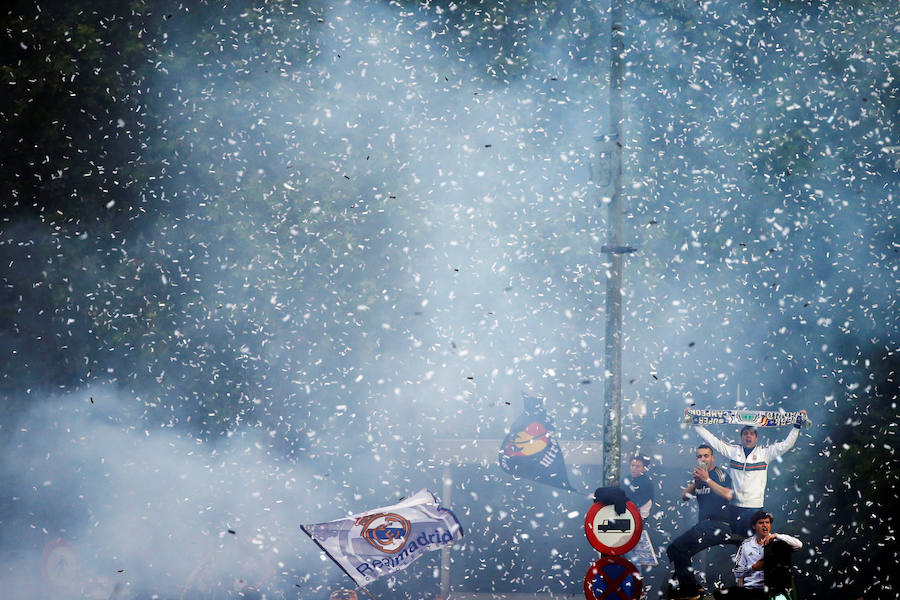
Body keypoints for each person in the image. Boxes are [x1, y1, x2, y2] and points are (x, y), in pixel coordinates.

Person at [691, 410, 806, 536]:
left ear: (756, 438)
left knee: (751, 543)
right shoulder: (733, 451)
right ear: (741, 438)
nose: (748, 436)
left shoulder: (765, 454)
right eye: (745, 434)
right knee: (736, 542)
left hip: (754, 507)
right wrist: (696, 424)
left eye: (752, 434)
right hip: (733, 506)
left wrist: (796, 426)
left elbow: (786, 445)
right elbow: (713, 441)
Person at [666, 444, 737, 600]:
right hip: (704, 526)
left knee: (677, 547)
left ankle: (689, 591)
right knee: (675, 550)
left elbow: (729, 494)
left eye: (706, 456)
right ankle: (693, 587)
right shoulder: (699, 477)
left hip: (719, 525)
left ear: (712, 458)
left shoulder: (719, 474)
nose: (703, 459)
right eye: (699, 456)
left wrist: (708, 479)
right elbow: (684, 496)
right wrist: (696, 482)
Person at [713, 510, 802, 600]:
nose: (765, 525)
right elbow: (737, 572)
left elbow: (798, 545)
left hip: (773, 590)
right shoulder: (745, 545)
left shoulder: (777, 542)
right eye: (761, 523)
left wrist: (776, 535)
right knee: (719, 593)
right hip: (751, 590)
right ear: (754, 526)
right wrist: (754, 567)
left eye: (767, 522)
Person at [625, 455, 654, 519]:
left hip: (637, 518)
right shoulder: (625, 480)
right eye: (632, 465)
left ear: (644, 469)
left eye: (637, 466)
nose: (634, 468)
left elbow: (645, 504)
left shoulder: (646, 483)